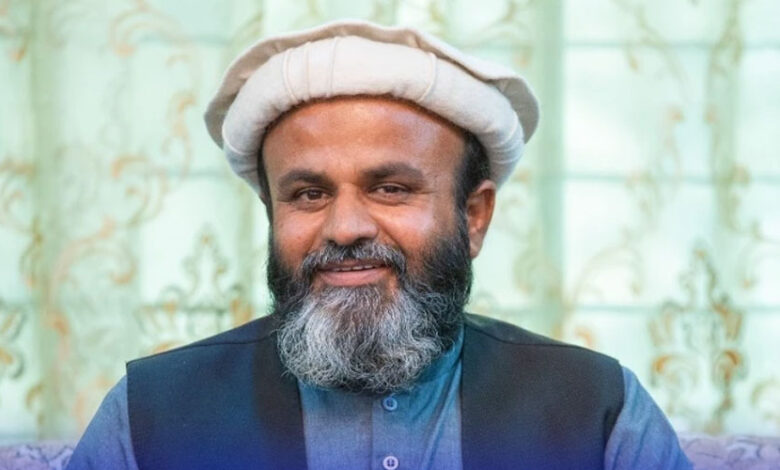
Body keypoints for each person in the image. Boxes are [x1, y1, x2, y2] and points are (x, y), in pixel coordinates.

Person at [67, 20, 692, 470]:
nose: (345, 227)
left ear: (474, 216)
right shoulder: (147, 414)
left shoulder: (598, 409)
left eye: (390, 189)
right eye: (308, 194)